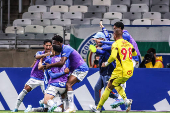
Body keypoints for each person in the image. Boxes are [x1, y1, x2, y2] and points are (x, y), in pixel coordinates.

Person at [90, 29, 137, 113]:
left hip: (120, 70)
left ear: (115, 35)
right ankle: (126, 100)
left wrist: (106, 63)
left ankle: (98, 109)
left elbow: (113, 56)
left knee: (108, 88)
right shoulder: (129, 44)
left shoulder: (115, 44)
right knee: (115, 84)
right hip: (129, 71)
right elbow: (134, 54)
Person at [45, 35, 89, 112]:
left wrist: (50, 65)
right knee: (66, 87)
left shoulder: (66, 48)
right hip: (75, 69)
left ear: (59, 42)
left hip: (81, 68)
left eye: (54, 43)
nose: (53, 45)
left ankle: (72, 108)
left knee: (68, 85)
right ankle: (67, 107)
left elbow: (62, 63)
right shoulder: (62, 50)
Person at [12, 39, 52, 112]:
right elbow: (36, 57)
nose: (48, 47)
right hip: (35, 77)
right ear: (44, 46)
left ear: (51, 46)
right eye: (47, 45)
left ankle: (41, 103)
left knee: (48, 95)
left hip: (45, 79)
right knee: (25, 90)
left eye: (49, 45)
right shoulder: (39, 52)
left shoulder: (52, 55)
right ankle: (15, 108)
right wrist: (44, 55)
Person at [89, 31, 117, 109]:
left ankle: (121, 99)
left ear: (101, 39)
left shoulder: (106, 46)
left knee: (108, 92)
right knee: (97, 88)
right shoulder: (104, 45)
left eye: (96, 39)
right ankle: (97, 107)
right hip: (103, 73)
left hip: (108, 73)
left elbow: (102, 52)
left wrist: (96, 50)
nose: (95, 41)